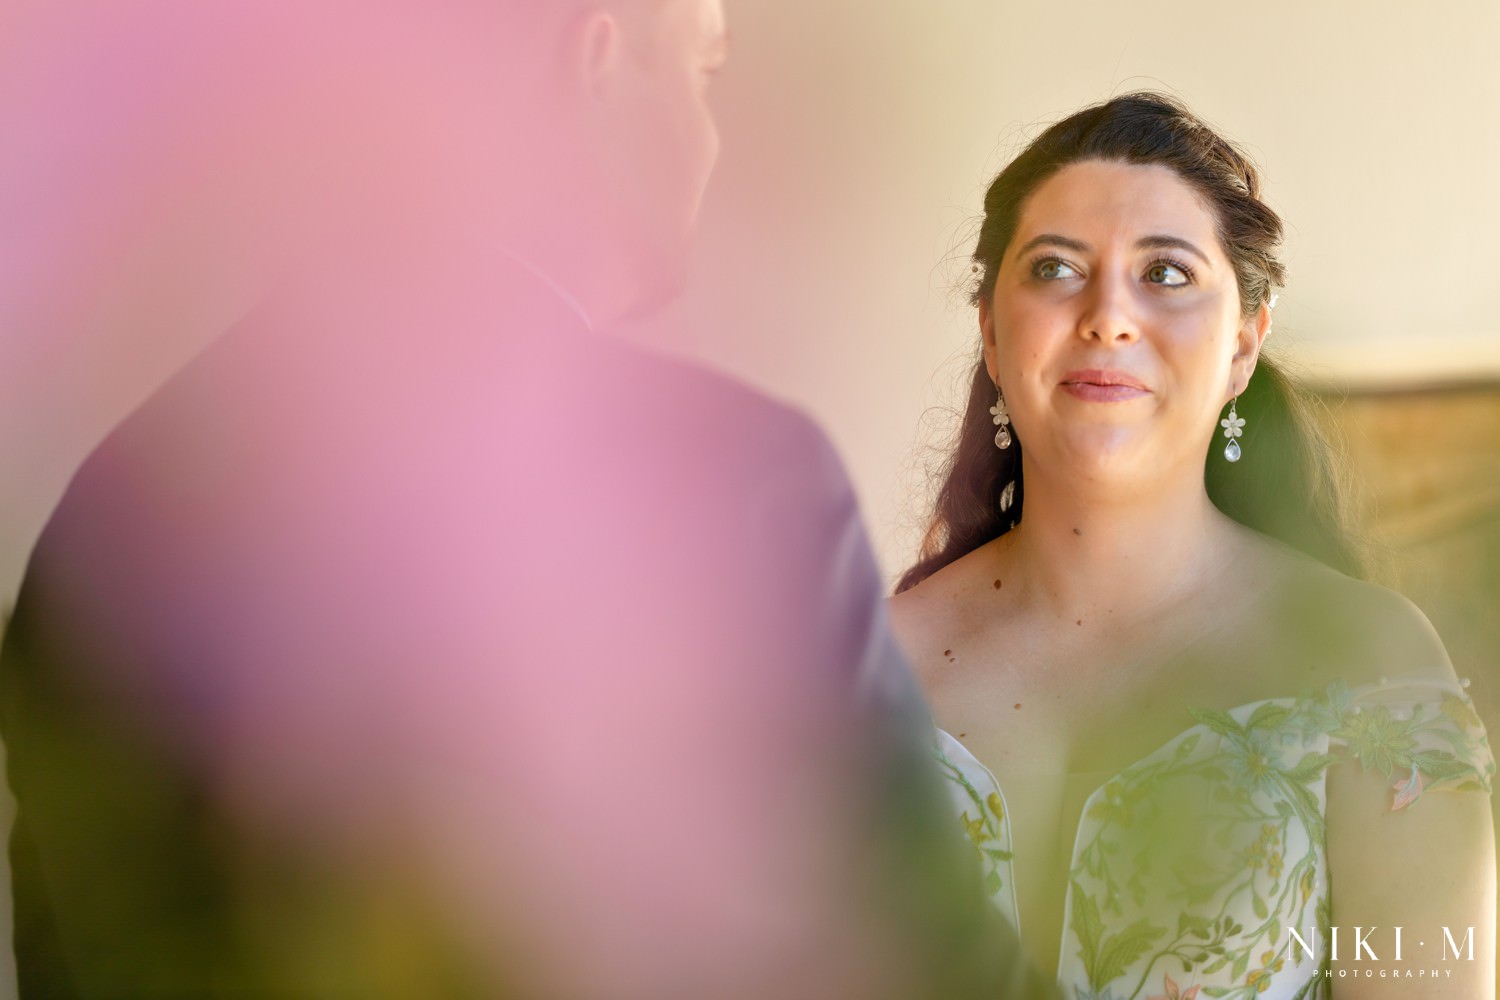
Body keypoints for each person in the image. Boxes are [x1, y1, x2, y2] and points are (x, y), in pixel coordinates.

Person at [2, 2, 1052, 997]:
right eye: (703, 71)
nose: (715, 139)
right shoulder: (730, 482)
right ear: (596, 64)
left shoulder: (96, 532)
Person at [890, 92, 1496, 999]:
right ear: (989, 326)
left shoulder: (1377, 671)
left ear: (1245, 344)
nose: (1107, 316)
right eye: (1055, 267)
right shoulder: (857, 674)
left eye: (1166, 274)